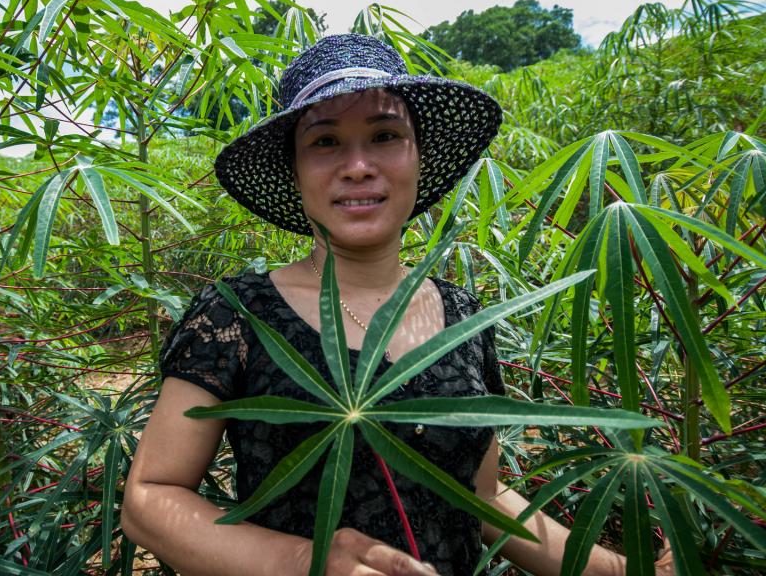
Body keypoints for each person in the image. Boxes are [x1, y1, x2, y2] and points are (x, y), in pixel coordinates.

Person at [121, 34, 675, 576]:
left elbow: (484, 496)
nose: (358, 165)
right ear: (294, 170)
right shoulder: (236, 313)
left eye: (385, 135)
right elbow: (150, 500)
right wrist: (299, 560)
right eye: (325, 141)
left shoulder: (463, 316)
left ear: (418, 157)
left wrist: (612, 568)